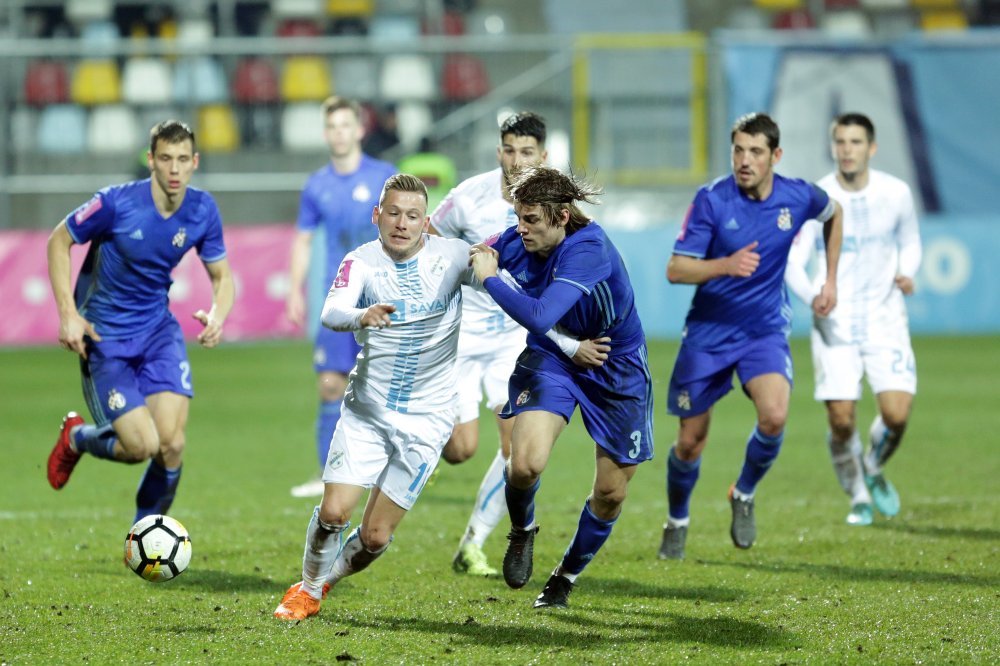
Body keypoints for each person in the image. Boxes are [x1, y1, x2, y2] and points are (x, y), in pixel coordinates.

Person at [273, 174, 485, 621]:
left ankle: (324, 583)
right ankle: (306, 590)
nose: (402, 224)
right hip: (368, 411)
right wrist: (361, 315)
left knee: (374, 538)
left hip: (429, 420)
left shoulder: (452, 256)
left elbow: (498, 281)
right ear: (377, 215)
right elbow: (331, 311)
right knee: (334, 512)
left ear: (426, 221)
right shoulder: (361, 262)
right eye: (393, 213)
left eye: (412, 216)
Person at [658, 112, 843, 561]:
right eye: (738, 150)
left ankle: (743, 492)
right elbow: (676, 269)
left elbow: (835, 213)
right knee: (690, 442)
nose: (744, 160)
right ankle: (677, 520)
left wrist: (830, 279)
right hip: (709, 333)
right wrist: (725, 265)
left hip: (764, 331)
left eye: (755, 151)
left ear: (775, 156)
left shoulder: (797, 196)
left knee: (774, 416)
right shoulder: (712, 200)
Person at [468, 165, 653, 610]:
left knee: (611, 493)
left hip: (614, 364)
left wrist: (490, 277)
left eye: (531, 219)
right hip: (555, 357)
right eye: (518, 217)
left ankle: (564, 577)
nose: (521, 228)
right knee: (525, 464)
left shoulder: (588, 249)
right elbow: (473, 255)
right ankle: (522, 530)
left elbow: (538, 315)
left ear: (562, 216)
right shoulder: (517, 240)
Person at [430, 111, 598, 577]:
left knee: (515, 448)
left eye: (527, 152)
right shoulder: (468, 196)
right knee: (460, 450)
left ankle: (472, 544)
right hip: (462, 337)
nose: (516, 160)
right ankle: (426, 439)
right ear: (499, 151)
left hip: (515, 337)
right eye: (509, 150)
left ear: (543, 155)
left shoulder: (557, 205)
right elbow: (430, 239)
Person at [45, 120, 234, 525]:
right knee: (141, 447)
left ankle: (144, 538)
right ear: (151, 160)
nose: (174, 169)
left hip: (157, 333)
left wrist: (218, 315)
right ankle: (77, 438)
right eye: (165, 158)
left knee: (172, 444)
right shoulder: (114, 203)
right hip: (105, 339)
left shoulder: (202, 209)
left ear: (195, 162)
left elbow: (222, 276)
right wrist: (68, 314)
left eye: (182, 159)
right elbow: (58, 240)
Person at [785, 112, 921, 526]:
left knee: (896, 415)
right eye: (841, 142)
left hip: (885, 318)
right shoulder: (817, 198)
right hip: (836, 324)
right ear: (833, 147)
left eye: (856, 142)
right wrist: (813, 296)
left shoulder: (896, 193)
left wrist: (907, 271)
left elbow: (910, 241)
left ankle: (873, 465)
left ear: (871, 148)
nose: (847, 150)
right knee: (841, 419)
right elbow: (793, 260)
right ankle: (859, 495)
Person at [286, 96, 397, 499]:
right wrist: (295, 289)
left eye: (346, 125)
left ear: (360, 129)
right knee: (331, 386)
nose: (339, 133)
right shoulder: (317, 185)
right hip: (339, 299)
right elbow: (303, 240)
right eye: (332, 127)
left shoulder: (385, 177)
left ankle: (392, 472)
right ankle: (327, 474)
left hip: (382, 296)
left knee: (384, 389)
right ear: (326, 133)